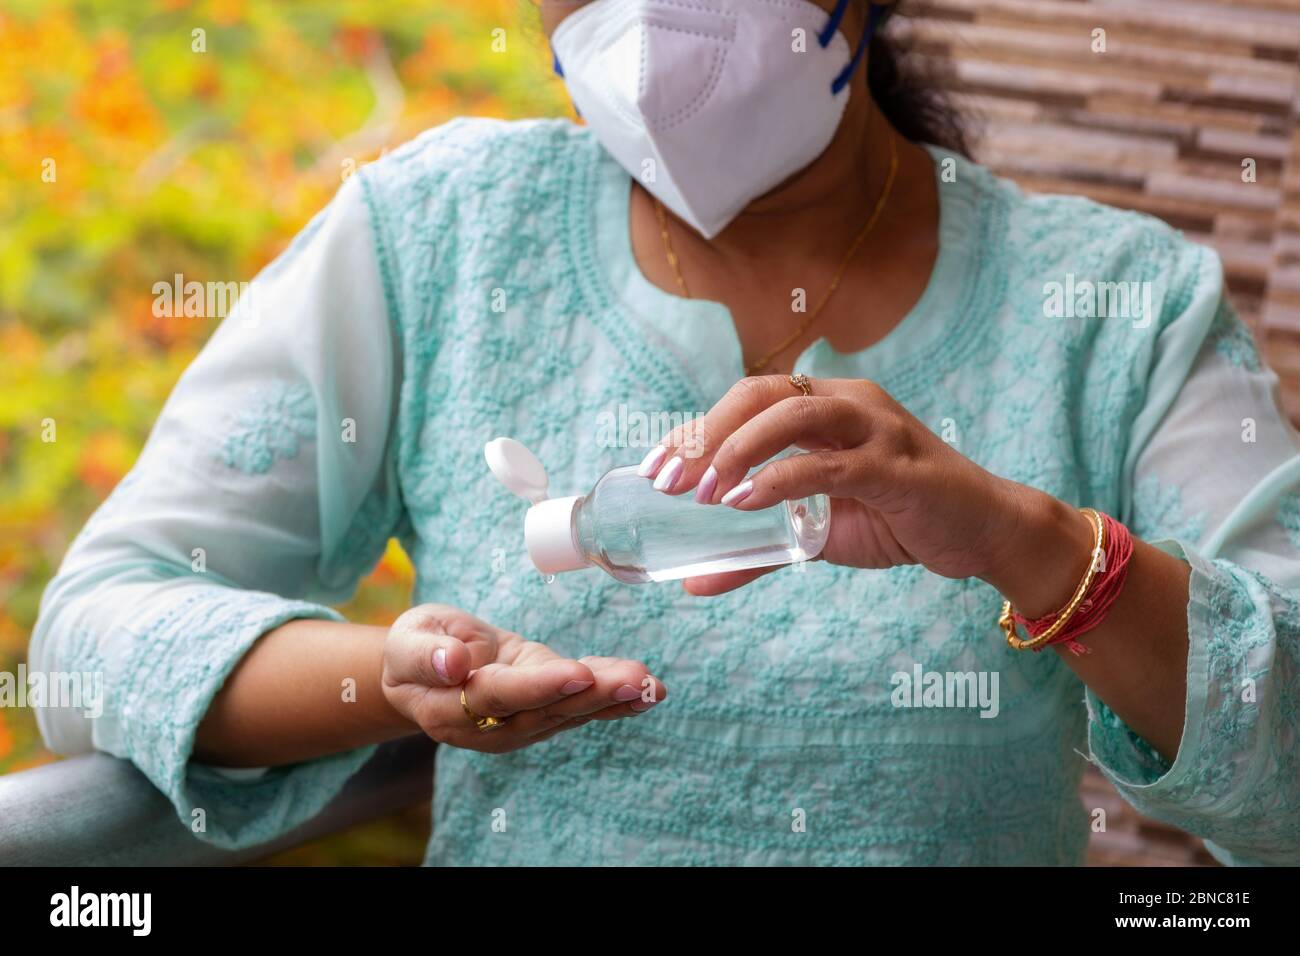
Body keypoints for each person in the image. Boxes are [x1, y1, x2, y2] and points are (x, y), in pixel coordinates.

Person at [30, 0, 1300, 864]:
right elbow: (97, 634)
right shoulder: (441, 237)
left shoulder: (1115, 308)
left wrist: (1020, 538)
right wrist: (389, 678)